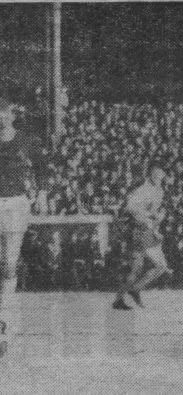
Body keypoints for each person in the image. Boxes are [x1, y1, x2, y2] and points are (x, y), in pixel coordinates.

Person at [0, 98, 48, 358]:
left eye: (4, 113)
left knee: (8, 265)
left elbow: (42, 167)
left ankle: (3, 326)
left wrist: (42, 193)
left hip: (16, 204)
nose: (1, 118)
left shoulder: (26, 140)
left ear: (11, 115)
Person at [112, 162, 172, 310]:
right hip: (139, 232)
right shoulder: (143, 190)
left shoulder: (159, 190)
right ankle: (126, 295)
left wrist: (156, 223)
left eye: (161, 175)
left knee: (158, 267)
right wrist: (148, 216)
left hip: (147, 232)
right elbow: (129, 207)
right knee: (141, 267)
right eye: (155, 175)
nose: (158, 177)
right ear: (150, 175)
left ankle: (131, 291)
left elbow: (152, 212)